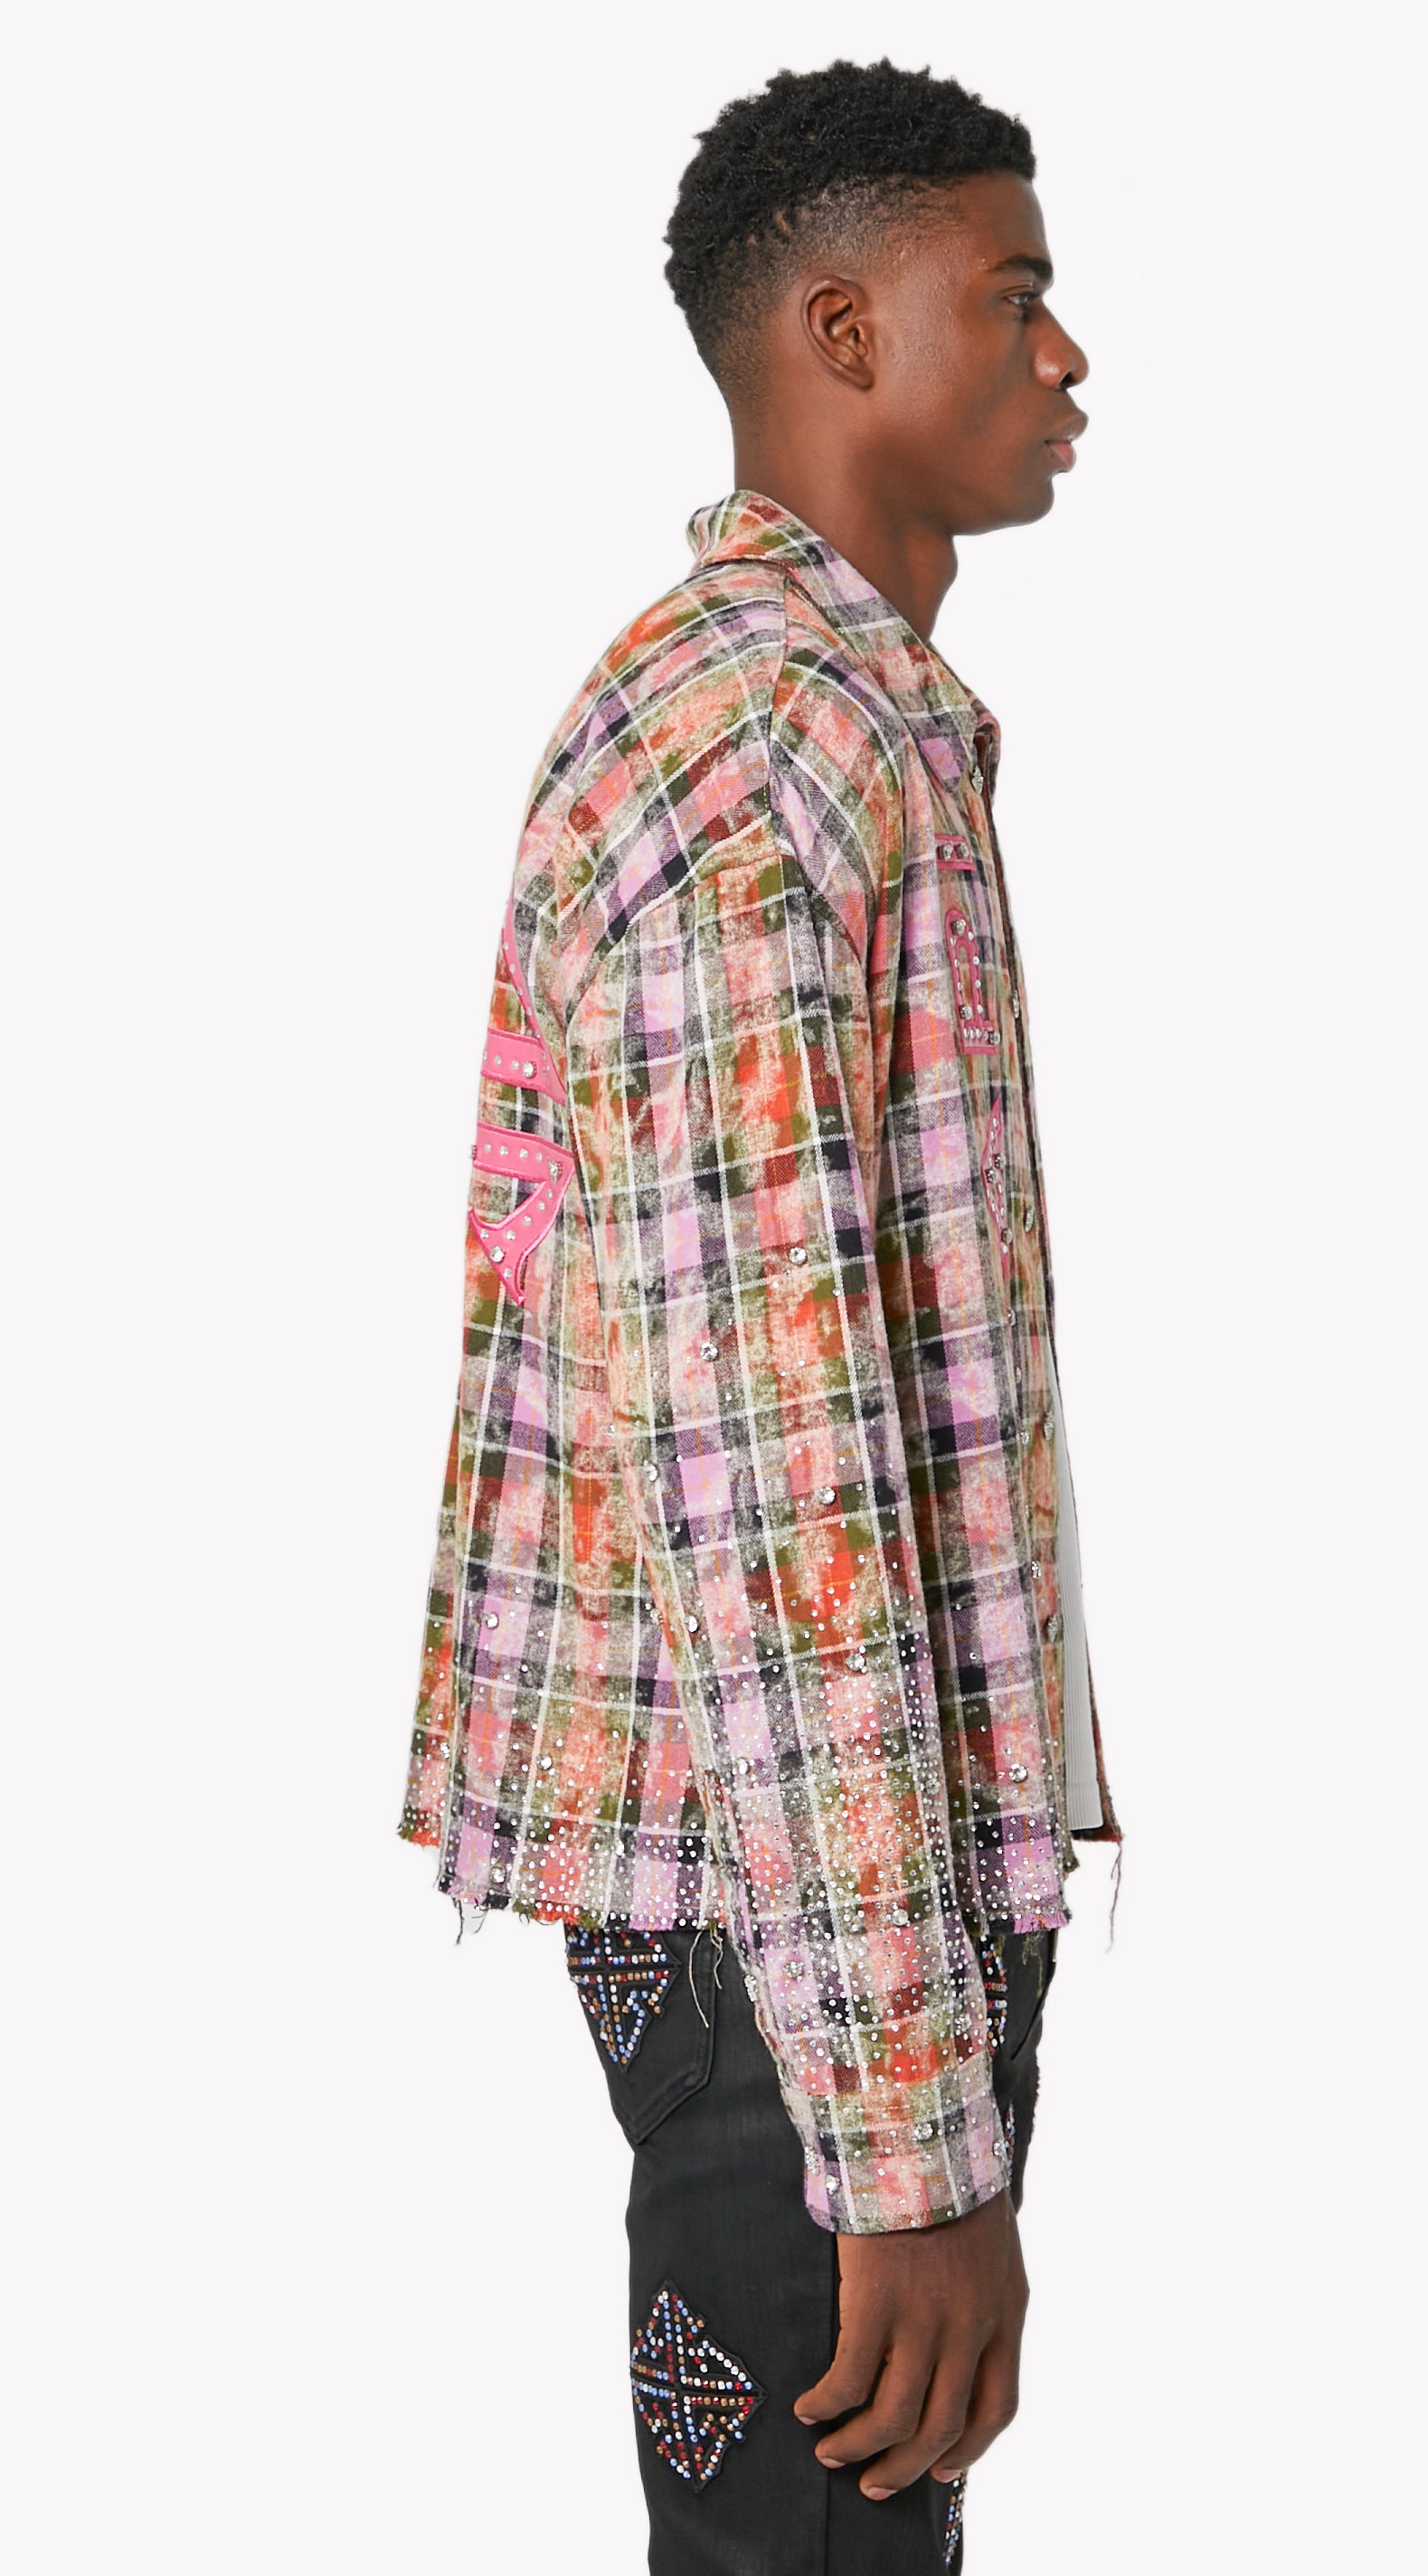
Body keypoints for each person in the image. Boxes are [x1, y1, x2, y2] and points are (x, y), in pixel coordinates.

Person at [399, 58, 1120, 2574]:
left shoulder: (819, 723)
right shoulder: (760, 760)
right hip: (784, 1920)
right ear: (838, 331)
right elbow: (772, 1474)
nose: (1067, 355)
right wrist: (905, 2140)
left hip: (794, 1901)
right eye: (1012, 295)